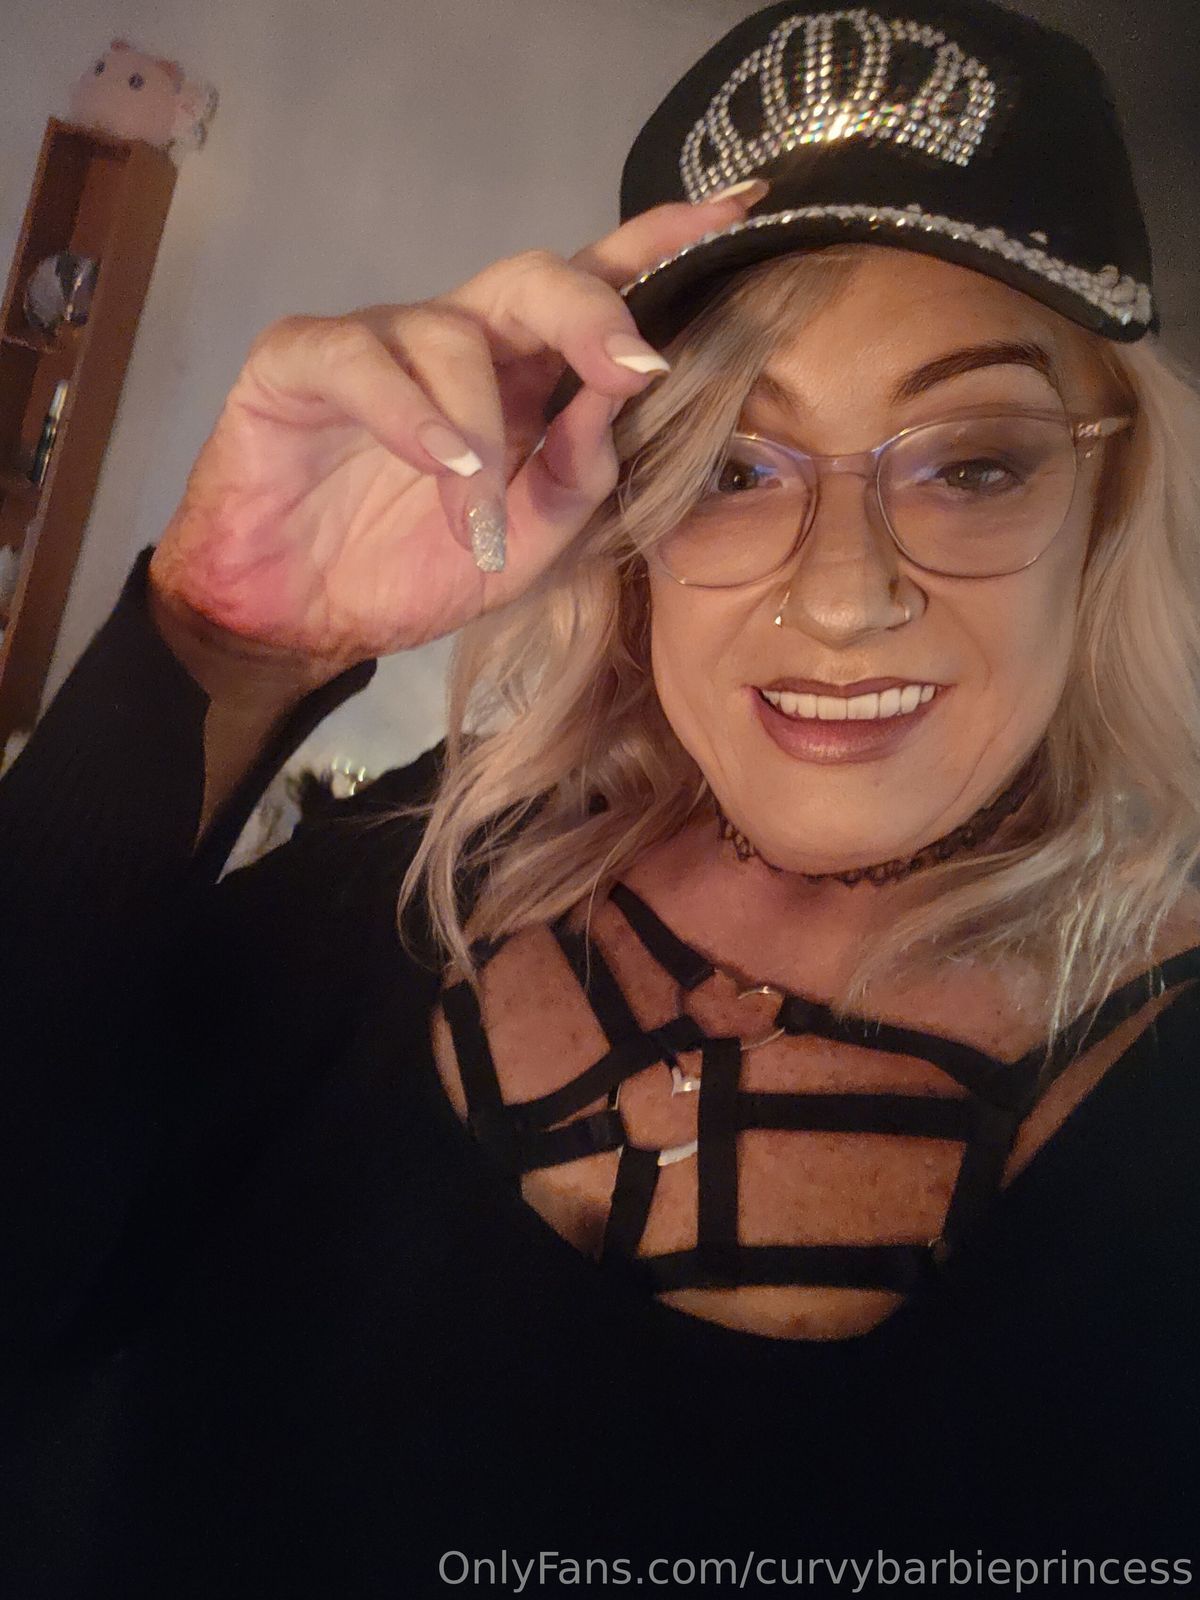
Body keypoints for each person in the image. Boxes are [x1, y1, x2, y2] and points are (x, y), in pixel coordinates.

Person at [2, 0, 1198, 1593]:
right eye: (731, 468)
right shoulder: (443, 854)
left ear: (1108, 496)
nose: (846, 597)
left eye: (975, 463)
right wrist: (222, 643)